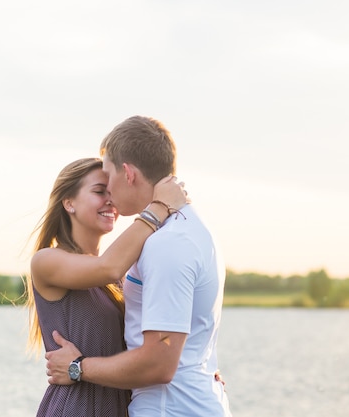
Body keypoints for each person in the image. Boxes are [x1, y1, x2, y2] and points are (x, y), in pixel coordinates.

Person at [45, 116, 232, 416]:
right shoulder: (187, 231)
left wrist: (77, 367)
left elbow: (159, 363)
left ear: (128, 174)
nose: (109, 196)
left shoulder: (167, 243)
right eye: (98, 190)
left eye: (108, 179)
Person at [26, 157, 187, 416]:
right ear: (69, 203)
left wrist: (193, 373)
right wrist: (159, 207)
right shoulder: (47, 261)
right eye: (100, 192)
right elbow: (108, 266)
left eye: (111, 191)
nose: (110, 200)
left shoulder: (119, 277)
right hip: (77, 407)